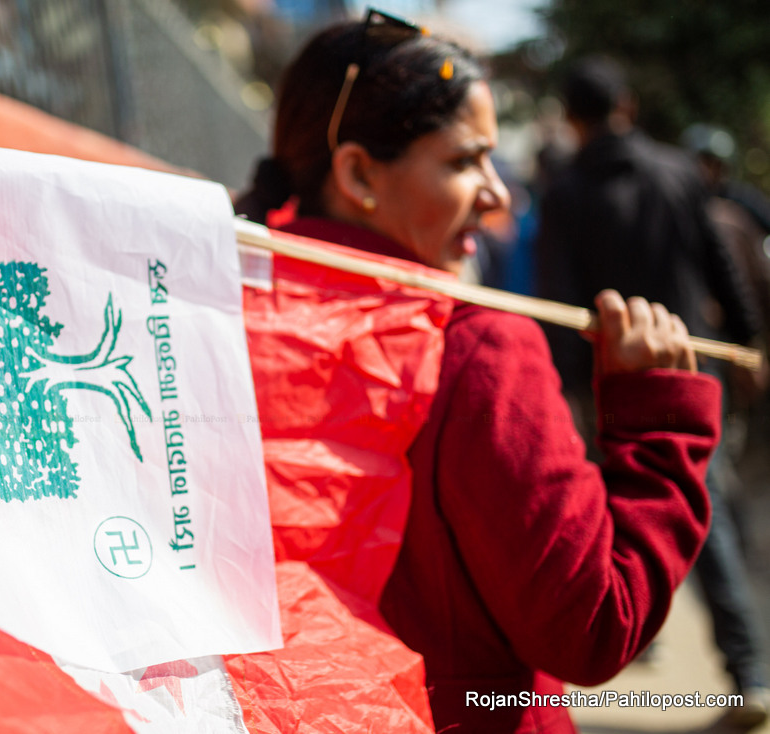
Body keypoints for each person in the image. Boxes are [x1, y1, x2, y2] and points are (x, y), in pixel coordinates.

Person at [236, 14, 720, 733]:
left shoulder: (213, 320)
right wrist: (659, 422)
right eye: (466, 162)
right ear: (359, 173)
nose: (500, 196)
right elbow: (593, 624)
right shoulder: (474, 349)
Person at [536, 57, 769, 728]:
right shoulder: (679, 173)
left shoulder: (565, 192)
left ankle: (648, 631)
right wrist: (749, 344)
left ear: (575, 121)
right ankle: (745, 669)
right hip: (696, 365)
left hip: (611, 378)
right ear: (628, 107)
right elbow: (719, 266)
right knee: (705, 502)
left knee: (618, 505)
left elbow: (558, 298)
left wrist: (572, 389)